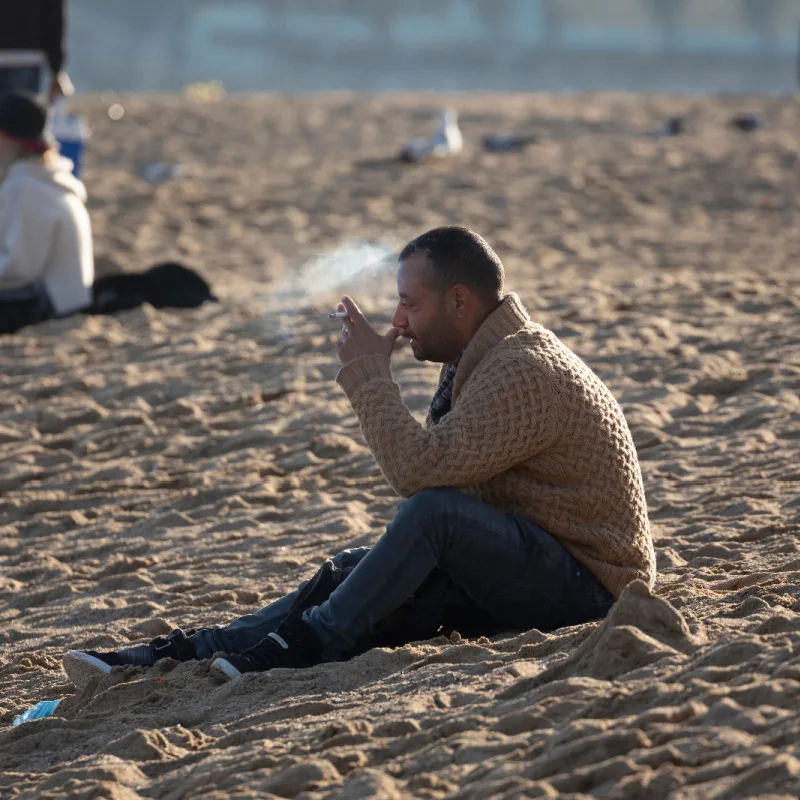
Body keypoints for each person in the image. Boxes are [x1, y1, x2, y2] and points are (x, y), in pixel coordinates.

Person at [63, 226, 655, 687]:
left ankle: (307, 645)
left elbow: (420, 475)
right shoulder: (481, 358)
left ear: (458, 300)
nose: (398, 321)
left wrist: (370, 373)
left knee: (430, 518)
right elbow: (442, 471)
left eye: (408, 304)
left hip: (596, 588)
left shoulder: (523, 371)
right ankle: (198, 647)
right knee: (355, 569)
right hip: (533, 557)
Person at [0, 91, 93, 334]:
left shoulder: (24, 186)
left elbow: (18, 269)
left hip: (47, 307)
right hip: (67, 301)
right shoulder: (48, 177)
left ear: (7, 139)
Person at [0, 1, 71, 101]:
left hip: (28, 56)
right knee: (24, 114)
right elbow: (54, 16)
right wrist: (56, 69)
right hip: (28, 56)